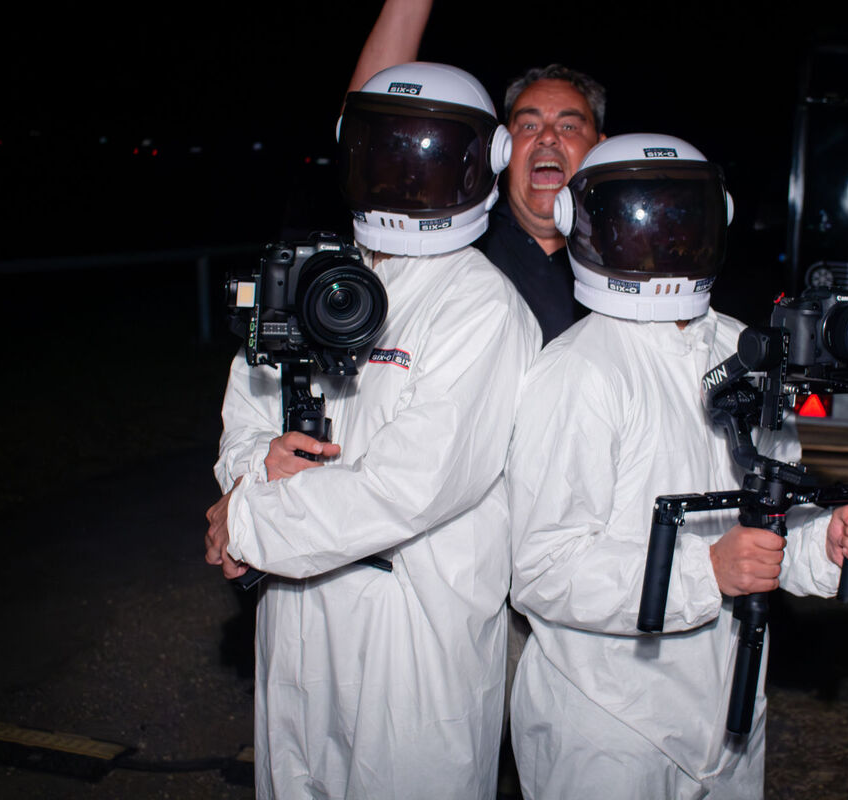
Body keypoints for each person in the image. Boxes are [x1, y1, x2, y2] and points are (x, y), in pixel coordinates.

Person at [505, 134, 848, 799]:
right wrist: (706, 571)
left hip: (729, 712)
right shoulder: (579, 371)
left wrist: (826, 546)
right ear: (586, 224)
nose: (664, 240)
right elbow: (543, 570)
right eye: (642, 220)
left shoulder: (746, 350)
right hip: (608, 726)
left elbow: (772, 517)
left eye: (681, 218)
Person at [204, 62, 541, 799]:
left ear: (480, 160)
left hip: (411, 633)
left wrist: (250, 519)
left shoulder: (479, 307)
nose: (403, 173)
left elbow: (408, 486)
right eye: (384, 149)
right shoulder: (316, 277)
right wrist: (253, 470)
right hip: (295, 606)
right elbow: (248, 409)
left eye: (424, 154)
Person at [347, 0, 604, 344]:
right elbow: (372, 126)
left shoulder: (624, 257)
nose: (547, 137)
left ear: (601, 148)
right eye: (528, 125)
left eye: (569, 126)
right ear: (501, 148)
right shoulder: (456, 236)